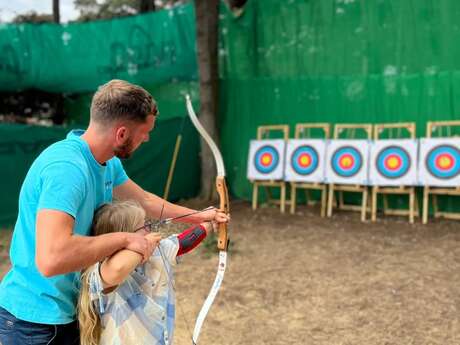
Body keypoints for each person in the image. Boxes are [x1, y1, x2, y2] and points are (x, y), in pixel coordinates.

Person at [0, 79, 229, 345]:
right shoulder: (67, 168)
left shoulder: (107, 163)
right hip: (32, 324)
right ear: (121, 134)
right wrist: (126, 239)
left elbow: (144, 200)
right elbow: (51, 259)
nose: (147, 138)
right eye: (145, 132)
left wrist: (200, 216)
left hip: (70, 314)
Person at [78, 200, 213, 345]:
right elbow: (117, 269)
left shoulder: (154, 252)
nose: (149, 229)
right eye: (143, 226)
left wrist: (210, 223)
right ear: (125, 237)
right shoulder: (100, 272)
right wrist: (143, 245)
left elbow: (183, 243)